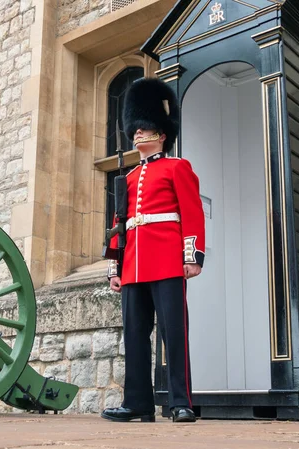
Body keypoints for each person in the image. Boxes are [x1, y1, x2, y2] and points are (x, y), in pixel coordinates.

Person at [101, 77, 205, 424]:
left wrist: (191, 255)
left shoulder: (178, 167)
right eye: (136, 129)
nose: (137, 134)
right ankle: (138, 403)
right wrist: (115, 267)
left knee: (173, 333)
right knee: (134, 337)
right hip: (133, 266)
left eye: (144, 128)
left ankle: (180, 402)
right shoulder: (128, 179)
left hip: (166, 261)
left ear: (161, 133)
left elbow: (191, 213)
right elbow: (120, 224)